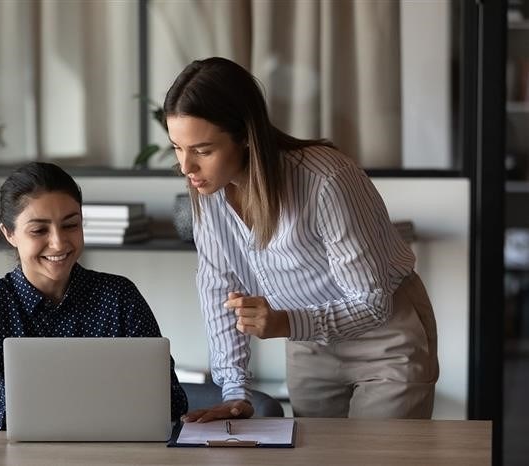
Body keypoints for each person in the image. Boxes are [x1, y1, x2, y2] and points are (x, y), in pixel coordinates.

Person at [164, 57, 438, 423]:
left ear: (245, 135)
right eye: (177, 148)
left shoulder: (325, 179)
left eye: (202, 150)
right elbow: (219, 292)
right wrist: (235, 393)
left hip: (384, 338)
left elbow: (373, 304)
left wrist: (284, 324)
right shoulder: (208, 194)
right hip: (308, 348)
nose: (186, 168)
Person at [0, 162, 188, 429]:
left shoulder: (120, 297)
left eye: (70, 225)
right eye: (39, 230)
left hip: (114, 450)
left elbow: (172, 400)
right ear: (9, 234)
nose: (58, 242)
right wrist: (10, 415)